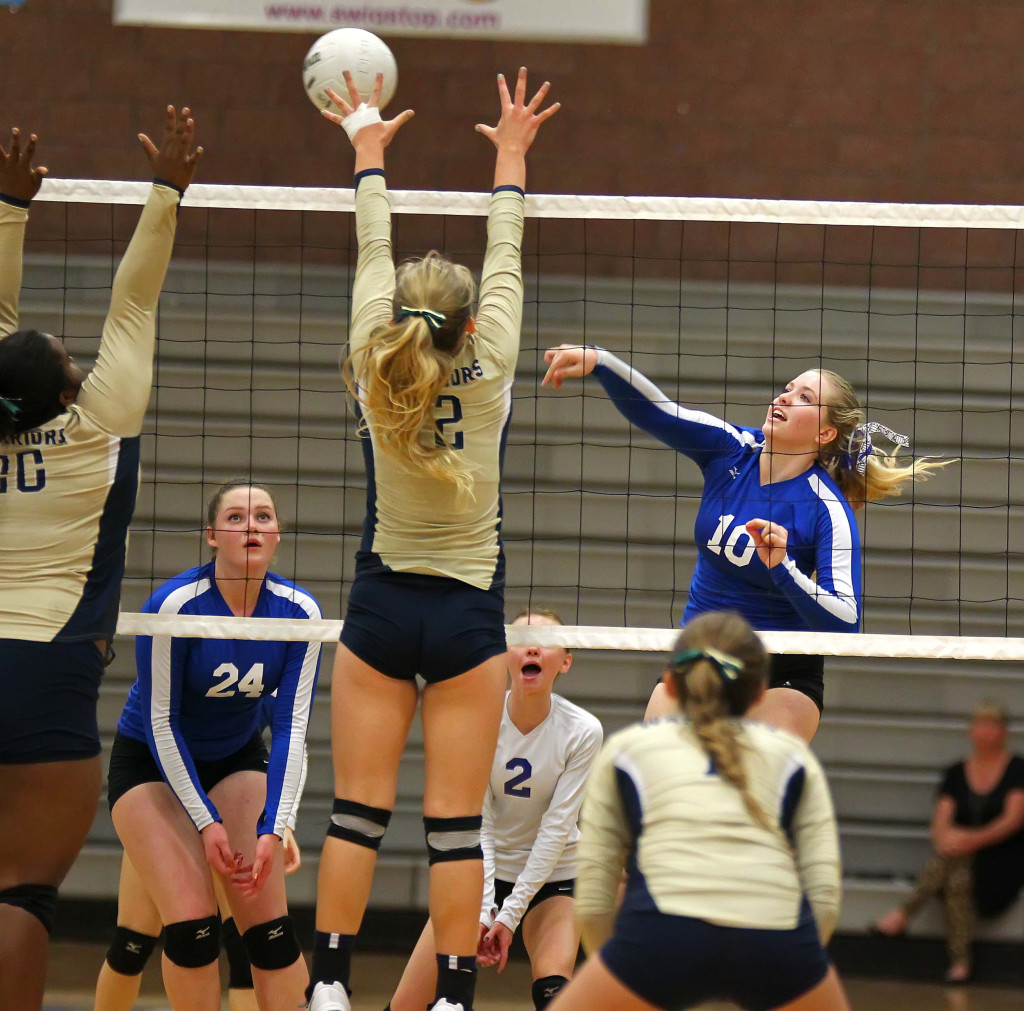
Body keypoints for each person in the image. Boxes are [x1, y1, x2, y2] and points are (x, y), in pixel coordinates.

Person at [306, 67, 559, 1011]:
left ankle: (329, 985)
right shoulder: (488, 361)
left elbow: (373, 246)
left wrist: (367, 150)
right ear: (464, 324)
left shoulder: (375, 357)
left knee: (355, 816)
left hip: (380, 607)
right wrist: (510, 152)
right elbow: (508, 251)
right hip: (466, 619)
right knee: (456, 830)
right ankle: (452, 997)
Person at [0, 108, 202, 1009]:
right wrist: (168, 191)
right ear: (66, 390)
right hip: (47, 676)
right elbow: (136, 300)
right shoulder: (99, 429)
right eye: (74, 362)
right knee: (21, 895)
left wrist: (9, 207)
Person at [542, 345, 947, 742]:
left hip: (780, 672)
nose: (785, 396)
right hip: (700, 655)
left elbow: (845, 622)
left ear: (825, 432)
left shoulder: (827, 508)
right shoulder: (730, 449)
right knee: (661, 779)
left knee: (742, 789)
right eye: (788, 388)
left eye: (804, 397)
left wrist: (784, 567)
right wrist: (601, 361)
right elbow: (660, 413)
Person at [549, 610, 847, 1011]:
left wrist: (620, 964)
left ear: (670, 684)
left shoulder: (628, 750)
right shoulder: (792, 757)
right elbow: (825, 893)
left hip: (662, 934)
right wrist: (797, 960)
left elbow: (597, 891)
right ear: (761, 694)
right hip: (776, 937)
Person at [106, 481, 322, 1010]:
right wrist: (206, 822)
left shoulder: (300, 613)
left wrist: (278, 820)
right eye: (236, 517)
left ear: (277, 535)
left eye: (264, 516)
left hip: (234, 759)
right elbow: (162, 723)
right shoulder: (175, 605)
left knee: (269, 934)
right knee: (193, 930)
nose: (252, 526)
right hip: (151, 765)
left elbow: (292, 727)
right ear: (211, 535)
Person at [386, 608, 603, 1011]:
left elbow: (557, 831)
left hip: (556, 876)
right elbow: (477, 824)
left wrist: (508, 917)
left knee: (555, 996)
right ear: (506, 653)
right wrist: (485, 909)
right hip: (480, 870)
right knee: (405, 1005)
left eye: (547, 642)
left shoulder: (582, 730)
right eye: (520, 640)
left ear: (566, 662)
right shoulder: (479, 718)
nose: (532, 647)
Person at [94, 688, 308, 1011]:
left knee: (249, 945)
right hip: (162, 795)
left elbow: (293, 739)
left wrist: (283, 822)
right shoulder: (187, 653)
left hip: (230, 795)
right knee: (132, 945)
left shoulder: (271, 656)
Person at [870, 701, 1024, 983]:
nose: (983, 731)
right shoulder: (956, 772)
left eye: (990, 725)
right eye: (978, 724)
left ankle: (905, 915)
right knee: (956, 876)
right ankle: (959, 964)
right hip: (960, 859)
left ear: (1004, 731)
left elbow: (1013, 820)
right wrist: (948, 841)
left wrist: (970, 841)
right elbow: (941, 821)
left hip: (1002, 860)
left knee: (955, 867)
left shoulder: (1017, 769)